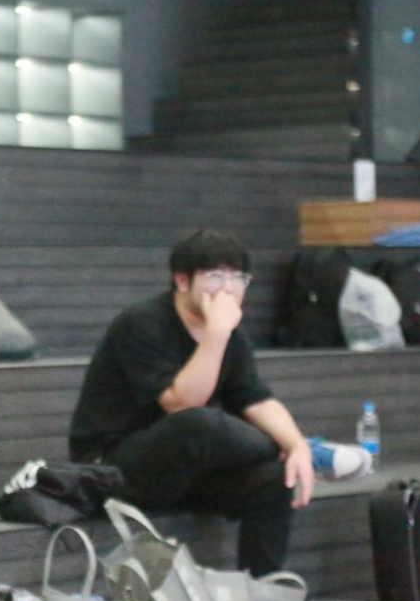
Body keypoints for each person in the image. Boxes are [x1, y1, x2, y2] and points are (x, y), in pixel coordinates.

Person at [68, 229, 314, 576]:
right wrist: (216, 334)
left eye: (239, 278)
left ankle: (263, 594)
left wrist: (297, 445)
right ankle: (313, 452)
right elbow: (181, 403)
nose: (229, 289)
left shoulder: (230, 336)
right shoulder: (141, 323)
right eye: (215, 276)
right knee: (198, 423)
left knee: (275, 479)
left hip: (182, 471)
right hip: (113, 468)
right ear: (182, 280)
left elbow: (256, 400)